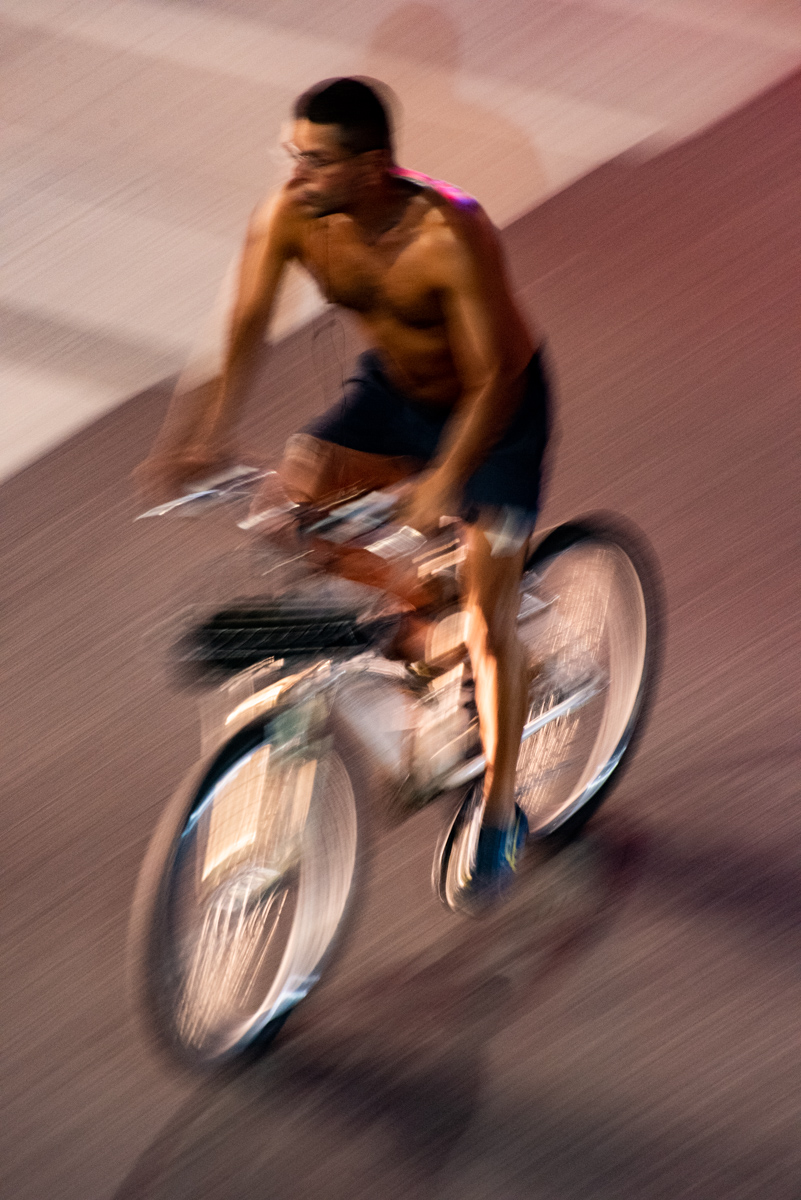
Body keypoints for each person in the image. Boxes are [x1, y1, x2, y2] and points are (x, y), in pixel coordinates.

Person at [136, 77, 551, 908]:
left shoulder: (449, 232)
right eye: (290, 154)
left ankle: (500, 812)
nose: (295, 174)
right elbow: (241, 330)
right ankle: (416, 612)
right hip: (395, 396)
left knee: (491, 616)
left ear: (371, 167)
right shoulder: (293, 214)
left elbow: (495, 376)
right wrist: (195, 439)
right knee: (292, 496)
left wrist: (441, 482)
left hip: (492, 415)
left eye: (315, 160)